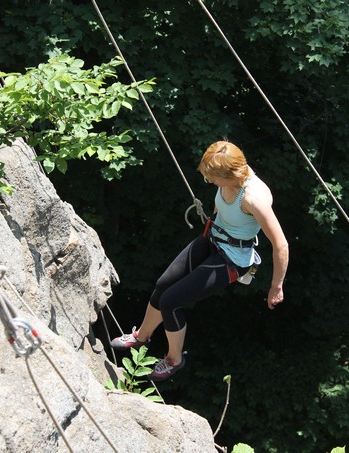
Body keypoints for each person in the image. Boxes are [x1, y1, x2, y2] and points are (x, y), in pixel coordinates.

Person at [110, 140, 289, 381]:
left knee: (170, 301)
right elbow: (222, 208)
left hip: (232, 258)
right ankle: (141, 336)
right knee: (163, 284)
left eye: (213, 178)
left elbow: (281, 244)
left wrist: (276, 286)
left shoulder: (254, 198)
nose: (210, 182)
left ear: (231, 173)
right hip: (213, 239)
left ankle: (174, 359)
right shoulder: (228, 178)